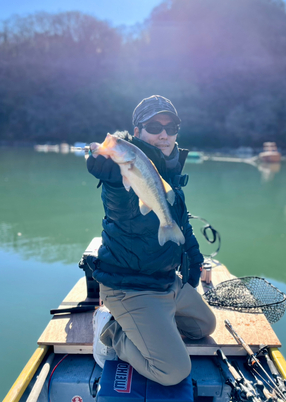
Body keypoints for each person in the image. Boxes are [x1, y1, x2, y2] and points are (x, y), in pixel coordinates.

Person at [87, 95, 216, 386]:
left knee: (205, 326)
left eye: (171, 127)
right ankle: (113, 333)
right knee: (173, 371)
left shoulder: (170, 171)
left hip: (164, 281)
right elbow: (121, 207)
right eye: (154, 126)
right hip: (130, 286)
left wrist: (194, 261)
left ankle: (151, 324)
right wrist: (110, 177)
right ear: (137, 133)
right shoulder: (121, 170)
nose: (163, 133)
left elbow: (182, 224)